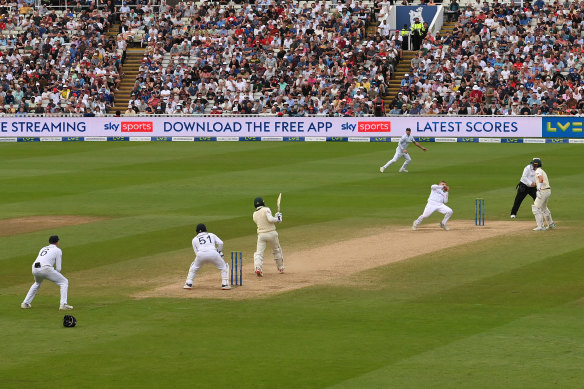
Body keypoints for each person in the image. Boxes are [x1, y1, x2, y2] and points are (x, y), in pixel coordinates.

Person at [21, 235, 73, 310]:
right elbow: (58, 268)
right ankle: (63, 304)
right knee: (64, 282)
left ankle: (25, 303)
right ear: (57, 242)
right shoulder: (58, 250)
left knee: (37, 283)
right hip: (45, 268)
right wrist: (55, 276)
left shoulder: (43, 248)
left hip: (34, 268)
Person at [184, 224, 231, 290]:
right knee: (224, 267)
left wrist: (201, 258)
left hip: (200, 254)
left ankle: (188, 283)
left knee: (193, 267)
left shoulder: (194, 239)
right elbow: (221, 243)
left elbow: (196, 252)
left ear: (197, 232)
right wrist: (218, 251)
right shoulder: (212, 235)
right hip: (213, 253)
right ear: (206, 230)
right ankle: (225, 284)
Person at [252, 196, 284, 276]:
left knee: (259, 253)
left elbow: (263, 221)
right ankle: (281, 268)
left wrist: (276, 218)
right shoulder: (266, 209)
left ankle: (258, 268)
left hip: (261, 235)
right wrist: (278, 218)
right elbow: (270, 219)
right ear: (263, 202)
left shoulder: (254, 214)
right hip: (272, 233)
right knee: (276, 250)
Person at [531, 159, 557, 231]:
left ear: (535, 165)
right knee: (544, 208)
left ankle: (541, 226)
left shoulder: (538, 171)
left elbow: (541, 179)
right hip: (547, 190)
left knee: (536, 208)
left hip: (543, 191)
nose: (532, 165)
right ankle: (551, 224)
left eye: (533, 164)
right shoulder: (540, 170)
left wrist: (538, 190)